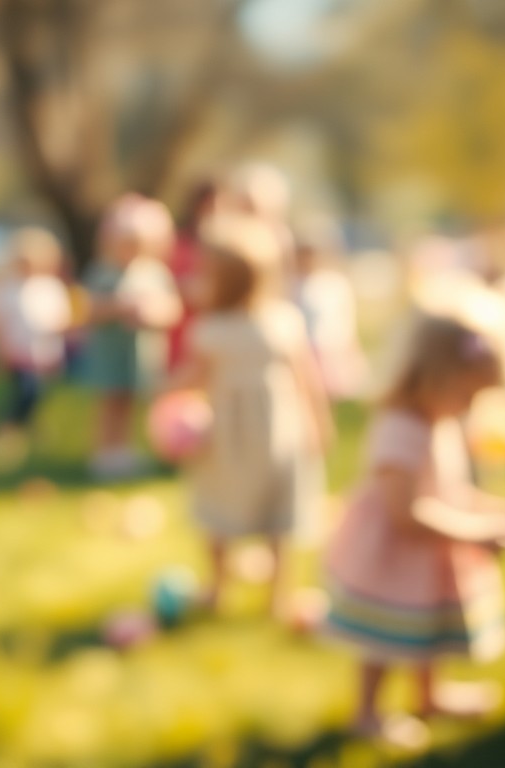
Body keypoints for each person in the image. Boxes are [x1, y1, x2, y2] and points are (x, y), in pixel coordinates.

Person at [324, 313, 505, 747]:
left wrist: (485, 508)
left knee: (429, 623)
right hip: (393, 556)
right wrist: (475, 533)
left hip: (429, 550)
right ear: (437, 377)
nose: (471, 408)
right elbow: (405, 512)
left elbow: (447, 487)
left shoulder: (440, 421)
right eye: (468, 395)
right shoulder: (401, 427)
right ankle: (366, 712)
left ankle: (431, 695)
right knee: (384, 636)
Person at [164, 215, 331, 614]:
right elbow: (309, 380)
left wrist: (165, 392)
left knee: (219, 512)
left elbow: (191, 379)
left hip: (229, 440)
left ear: (222, 283)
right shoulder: (283, 321)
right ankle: (278, 595)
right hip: (279, 434)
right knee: (278, 518)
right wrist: (319, 424)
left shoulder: (211, 331)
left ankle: (218, 588)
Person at [83, 193, 183, 480]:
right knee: (113, 401)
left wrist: (153, 314)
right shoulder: (103, 272)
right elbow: (87, 309)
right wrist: (118, 307)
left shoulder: (154, 272)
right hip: (112, 351)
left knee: (140, 402)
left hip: (144, 353)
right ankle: (106, 453)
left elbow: (172, 308)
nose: (131, 251)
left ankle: (133, 450)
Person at [0, 227, 71, 467]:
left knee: (39, 394)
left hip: (45, 352)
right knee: (27, 392)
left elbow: (62, 318)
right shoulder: (8, 289)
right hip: (19, 352)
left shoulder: (51, 287)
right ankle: (8, 428)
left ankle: (29, 431)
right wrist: (0, 350)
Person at [293, 228, 368, 401]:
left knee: (329, 395)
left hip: (328, 347)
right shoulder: (291, 283)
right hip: (302, 348)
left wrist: (351, 349)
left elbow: (346, 321)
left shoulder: (334, 283)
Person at [166, 178, 221, 372]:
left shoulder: (233, 246)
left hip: (216, 327)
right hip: (182, 329)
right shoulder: (179, 242)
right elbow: (167, 279)